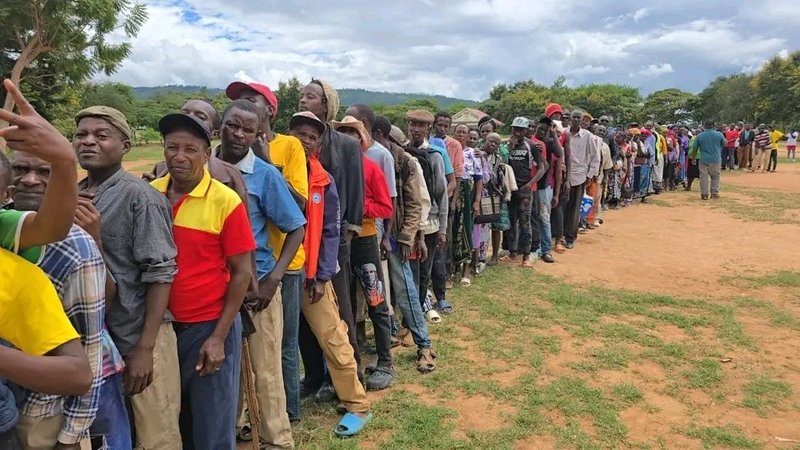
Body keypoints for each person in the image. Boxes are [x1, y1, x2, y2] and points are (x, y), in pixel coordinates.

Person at [73, 105, 181, 450]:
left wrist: (145, 350)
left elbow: (161, 274)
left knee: (156, 432)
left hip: (139, 334)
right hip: (97, 339)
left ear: (125, 146)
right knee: (112, 434)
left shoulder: (141, 198)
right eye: (82, 135)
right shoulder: (74, 194)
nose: (89, 141)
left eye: (101, 136)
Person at [150, 113, 255, 449]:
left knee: (212, 430)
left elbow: (241, 274)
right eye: (172, 148)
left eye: (191, 149)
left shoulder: (225, 201)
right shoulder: (149, 196)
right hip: (162, 330)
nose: (179, 156)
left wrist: (219, 338)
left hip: (208, 328)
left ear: (207, 154)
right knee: (172, 426)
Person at [10, 149, 127, 450]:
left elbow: (89, 346)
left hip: (53, 408)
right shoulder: (7, 226)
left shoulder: (74, 247)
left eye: (45, 172)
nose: (30, 180)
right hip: (17, 396)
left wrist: (71, 436)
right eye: (20, 168)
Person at [215, 100, 306, 448]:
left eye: (247, 129)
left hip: (258, 290)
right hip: (216, 291)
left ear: (257, 135)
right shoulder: (201, 169)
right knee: (224, 373)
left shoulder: (265, 175)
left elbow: (296, 226)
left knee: (266, 372)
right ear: (219, 126)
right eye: (232, 125)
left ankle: (277, 441)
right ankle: (235, 432)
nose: (239, 134)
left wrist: (274, 280)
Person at [287, 111, 374, 437]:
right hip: (276, 277)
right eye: (299, 132)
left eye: (311, 135)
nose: (304, 139)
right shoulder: (273, 172)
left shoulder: (322, 180)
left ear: (319, 143)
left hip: (311, 276)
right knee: (267, 347)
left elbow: (331, 231)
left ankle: (356, 403)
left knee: (333, 336)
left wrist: (323, 276)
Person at [297, 79, 365, 399]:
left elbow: (353, 197)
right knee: (303, 320)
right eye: (301, 95)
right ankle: (313, 377)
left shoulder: (347, 146)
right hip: (297, 247)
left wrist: (341, 246)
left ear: (326, 105)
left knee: (339, 317)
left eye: (310, 96)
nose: (303, 99)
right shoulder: (291, 144)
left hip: (333, 246)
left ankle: (352, 379)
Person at [331, 115, 396, 390]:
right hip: (338, 244)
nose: (347, 137)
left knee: (375, 299)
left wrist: (357, 208)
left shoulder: (370, 169)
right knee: (342, 306)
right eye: (342, 132)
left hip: (365, 240)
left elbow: (386, 207)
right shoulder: (332, 169)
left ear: (361, 138)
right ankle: (346, 367)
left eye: (352, 132)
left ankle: (385, 361)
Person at [403, 108, 444, 371]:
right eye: (412, 124)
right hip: (409, 223)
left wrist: (442, 229)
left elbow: (442, 194)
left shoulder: (434, 157)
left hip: (429, 224)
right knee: (411, 273)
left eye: (421, 126)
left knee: (423, 274)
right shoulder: (402, 152)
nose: (416, 129)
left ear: (428, 129)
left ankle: (416, 317)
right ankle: (410, 320)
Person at [504, 117, 543, 266]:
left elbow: (541, 168)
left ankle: (526, 257)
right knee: (511, 221)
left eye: (521, 129)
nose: (517, 132)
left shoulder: (531, 146)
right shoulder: (507, 146)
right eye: (515, 129)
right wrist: (509, 148)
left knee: (525, 223)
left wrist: (530, 183)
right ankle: (513, 253)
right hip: (510, 190)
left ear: (526, 130)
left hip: (525, 190)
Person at [563, 109, 599, 249]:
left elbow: (595, 156)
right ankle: (559, 234)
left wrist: (590, 175)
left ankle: (570, 237)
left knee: (574, 207)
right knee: (562, 207)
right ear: (570, 119)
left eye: (579, 118)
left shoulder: (587, 136)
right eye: (574, 117)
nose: (577, 120)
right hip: (563, 175)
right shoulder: (564, 133)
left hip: (579, 176)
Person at [531, 117, 561, 263]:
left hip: (543, 186)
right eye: (540, 129)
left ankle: (546, 249)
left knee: (544, 218)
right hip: (530, 186)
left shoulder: (549, 142)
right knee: (532, 218)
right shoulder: (529, 140)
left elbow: (560, 153)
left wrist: (554, 135)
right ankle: (532, 248)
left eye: (545, 130)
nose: (542, 132)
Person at [695, 121, 726, 200]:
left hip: (703, 159)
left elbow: (695, 148)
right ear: (713, 126)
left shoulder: (699, 136)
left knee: (703, 176)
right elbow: (725, 144)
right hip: (715, 159)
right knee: (715, 176)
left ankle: (704, 194)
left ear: (704, 126)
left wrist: (693, 157)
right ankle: (714, 193)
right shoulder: (719, 134)